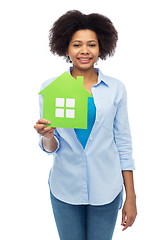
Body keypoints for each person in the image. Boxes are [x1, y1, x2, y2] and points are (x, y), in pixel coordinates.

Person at [34, 10, 137, 240]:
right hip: (64, 188)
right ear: (66, 48)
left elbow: (123, 144)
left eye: (91, 44)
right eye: (76, 44)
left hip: (107, 190)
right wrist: (48, 136)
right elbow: (52, 147)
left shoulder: (116, 89)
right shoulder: (52, 88)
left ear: (101, 48)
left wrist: (131, 196)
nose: (84, 51)